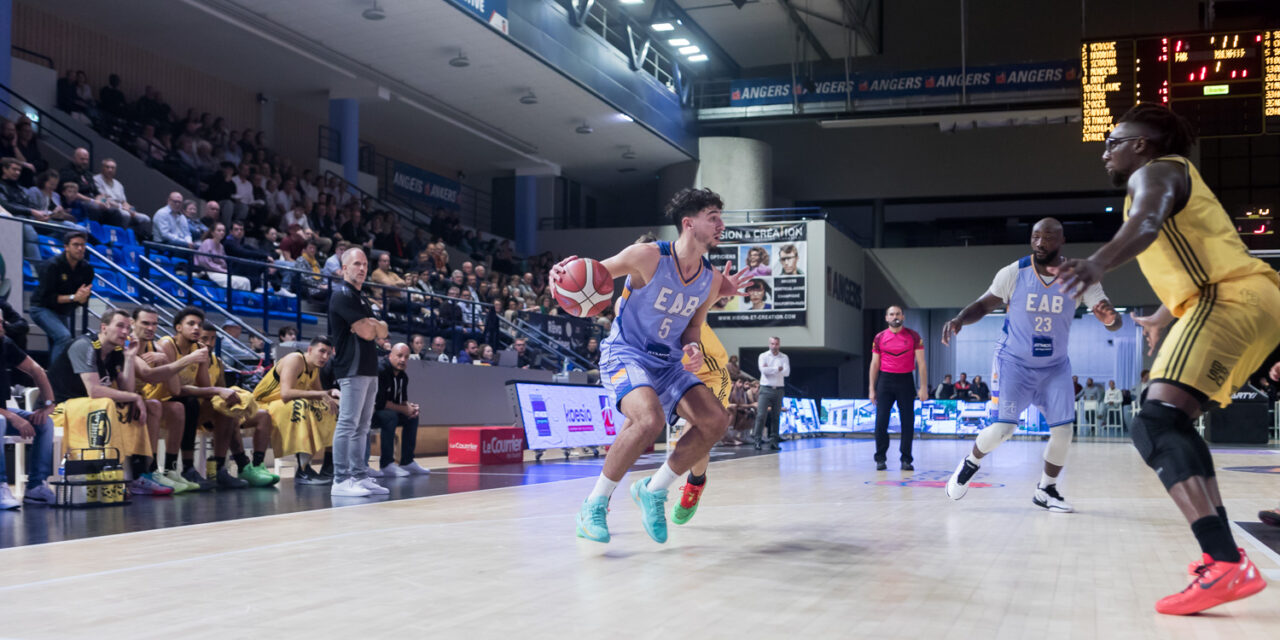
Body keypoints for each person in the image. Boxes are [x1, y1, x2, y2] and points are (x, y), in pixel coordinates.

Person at [1054, 102, 1279, 614]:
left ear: (1142, 144)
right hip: (1250, 299)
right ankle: (1227, 555)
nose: (1105, 150)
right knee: (1172, 420)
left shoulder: (1156, 172)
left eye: (1114, 140)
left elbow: (1149, 224)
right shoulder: (1180, 177)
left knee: (1153, 424)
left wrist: (1095, 263)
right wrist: (1161, 315)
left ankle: (1223, 562)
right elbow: (1192, 252)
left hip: (1230, 298)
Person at [558, 187, 741, 545]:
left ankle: (653, 491)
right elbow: (592, 273)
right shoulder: (647, 256)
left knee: (715, 421)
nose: (721, 224)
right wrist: (562, 274)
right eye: (713, 217)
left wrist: (692, 350)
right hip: (627, 352)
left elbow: (692, 328)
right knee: (648, 419)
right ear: (689, 224)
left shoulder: (710, 279)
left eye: (721, 217)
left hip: (669, 363)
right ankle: (594, 505)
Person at [942, 217, 1121, 512]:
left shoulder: (1079, 277)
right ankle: (970, 463)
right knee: (1003, 430)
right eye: (1035, 237)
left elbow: (1112, 319)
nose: (1040, 243)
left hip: (1055, 367)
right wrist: (960, 318)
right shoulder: (1014, 272)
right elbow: (985, 304)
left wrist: (1111, 320)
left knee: (1064, 432)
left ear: (1062, 241)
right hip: (1014, 363)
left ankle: (1046, 490)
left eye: (1048, 237)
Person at [47, 309, 172, 496]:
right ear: (104, 327)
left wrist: (130, 357)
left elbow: (127, 390)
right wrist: (135, 397)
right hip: (64, 407)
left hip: (91, 406)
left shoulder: (117, 352)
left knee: (147, 406)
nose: (125, 332)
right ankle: (108, 474)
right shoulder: (85, 345)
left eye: (128, 328)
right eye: (120, 326)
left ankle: (140, 473)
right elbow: (94, 391)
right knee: (108, 403)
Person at [328, 248, 389, 498]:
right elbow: (367, 332)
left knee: (363, 426)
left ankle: (359, 475)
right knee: (348, 424)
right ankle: (341, 479)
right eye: (356, 264)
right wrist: (371, 326)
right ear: (344, 268)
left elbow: (382, 331)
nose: (362, 268)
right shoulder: (342, 295)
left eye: (364, 264)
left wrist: (373, 325)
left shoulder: (362, 298)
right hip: (352, 368)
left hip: (369, 367)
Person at [252, 336, 339, 485]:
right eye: (322, 351)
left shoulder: (314, 369)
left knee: (330, 409)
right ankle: (303, 470)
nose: (325, 357)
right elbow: (286, 394)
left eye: (328, 354)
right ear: (310, 350)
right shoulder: (295, 359)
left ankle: (329, 467)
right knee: (302, 406)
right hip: (263, 404)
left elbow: (320, 395)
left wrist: (332, 395)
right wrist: (322, 394)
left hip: (284, 404)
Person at [0, 321, 57, 508]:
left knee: (44, 423)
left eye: (1, 322)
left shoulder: (5, 343)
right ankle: (1, 486)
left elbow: (36, 370)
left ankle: (35, 488)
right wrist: (10, 416)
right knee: (0, 420)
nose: (2, 327)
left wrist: (48, 404)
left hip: (3, 412)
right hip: (2, 416)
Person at [869, 306, 928, 471]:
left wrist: (923, 387)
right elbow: (874, 364)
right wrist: (871, 389)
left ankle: (906, 459)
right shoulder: (879, 337)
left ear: (903, 317)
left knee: (907, 422)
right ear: (886, 318)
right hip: (885, 381)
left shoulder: (913, 336)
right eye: (891, 314)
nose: (895, 317)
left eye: (898, 314)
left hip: (905, 381)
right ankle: (880, 458)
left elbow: (921, 363)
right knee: (881, 422)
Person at [29, 232, 93, 367]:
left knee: (63, 342)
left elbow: (84, 296)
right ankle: (54, 379)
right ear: (66, 247)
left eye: (83, 245)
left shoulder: (87, 269)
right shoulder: (52, 265)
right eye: (76, 245)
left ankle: (51, 380)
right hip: (41, 308)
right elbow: (47, 298)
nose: (80, 248)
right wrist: (73, 297)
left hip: (62, 311)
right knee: (64, 337)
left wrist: (82, 299)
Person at [367, 343, 429, 477]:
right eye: (399, 356)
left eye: (406, 357)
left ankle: (407, 461)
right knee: (390, 416)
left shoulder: (403, 376)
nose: (402, 360)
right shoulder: (381, 371)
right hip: (371, 413)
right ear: (390, 355)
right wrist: (404, 409)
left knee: (412, 417)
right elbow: (380, 403)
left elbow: (402, 401)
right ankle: (386, 464)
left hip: (386, 411)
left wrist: (410, 407)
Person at [752, 336, 789, 451]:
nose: (774, 346)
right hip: (765, 389)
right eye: (772, 344)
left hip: (779, 389)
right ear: (769, 344)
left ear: (779, 344)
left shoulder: (784, 357)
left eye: (776, 344)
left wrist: (770, 369)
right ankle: (757, 440)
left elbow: (787, 372)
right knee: (761, 415)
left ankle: (774, 441)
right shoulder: (763, 356)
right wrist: (778, 369)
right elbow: (764, 371)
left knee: (776, 416)